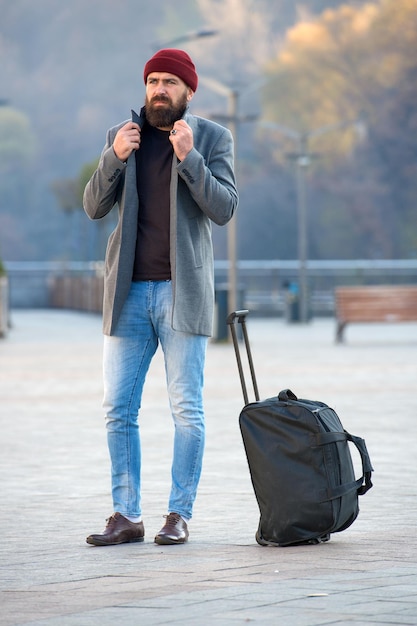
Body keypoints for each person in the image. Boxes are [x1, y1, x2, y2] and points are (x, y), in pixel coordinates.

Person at [83, 49, 238, 546]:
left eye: (170, 82)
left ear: (189, 91)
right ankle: (126, 515)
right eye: (153, 81)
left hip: (182, 292)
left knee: (186, 409)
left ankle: (178, 514)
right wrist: (114, 157)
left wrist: (189, 157)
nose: (159, 89)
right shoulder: (120, 137)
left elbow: (224, 208)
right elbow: (92, 207)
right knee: (117, 410)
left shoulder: (213, 138)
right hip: (127, 293)